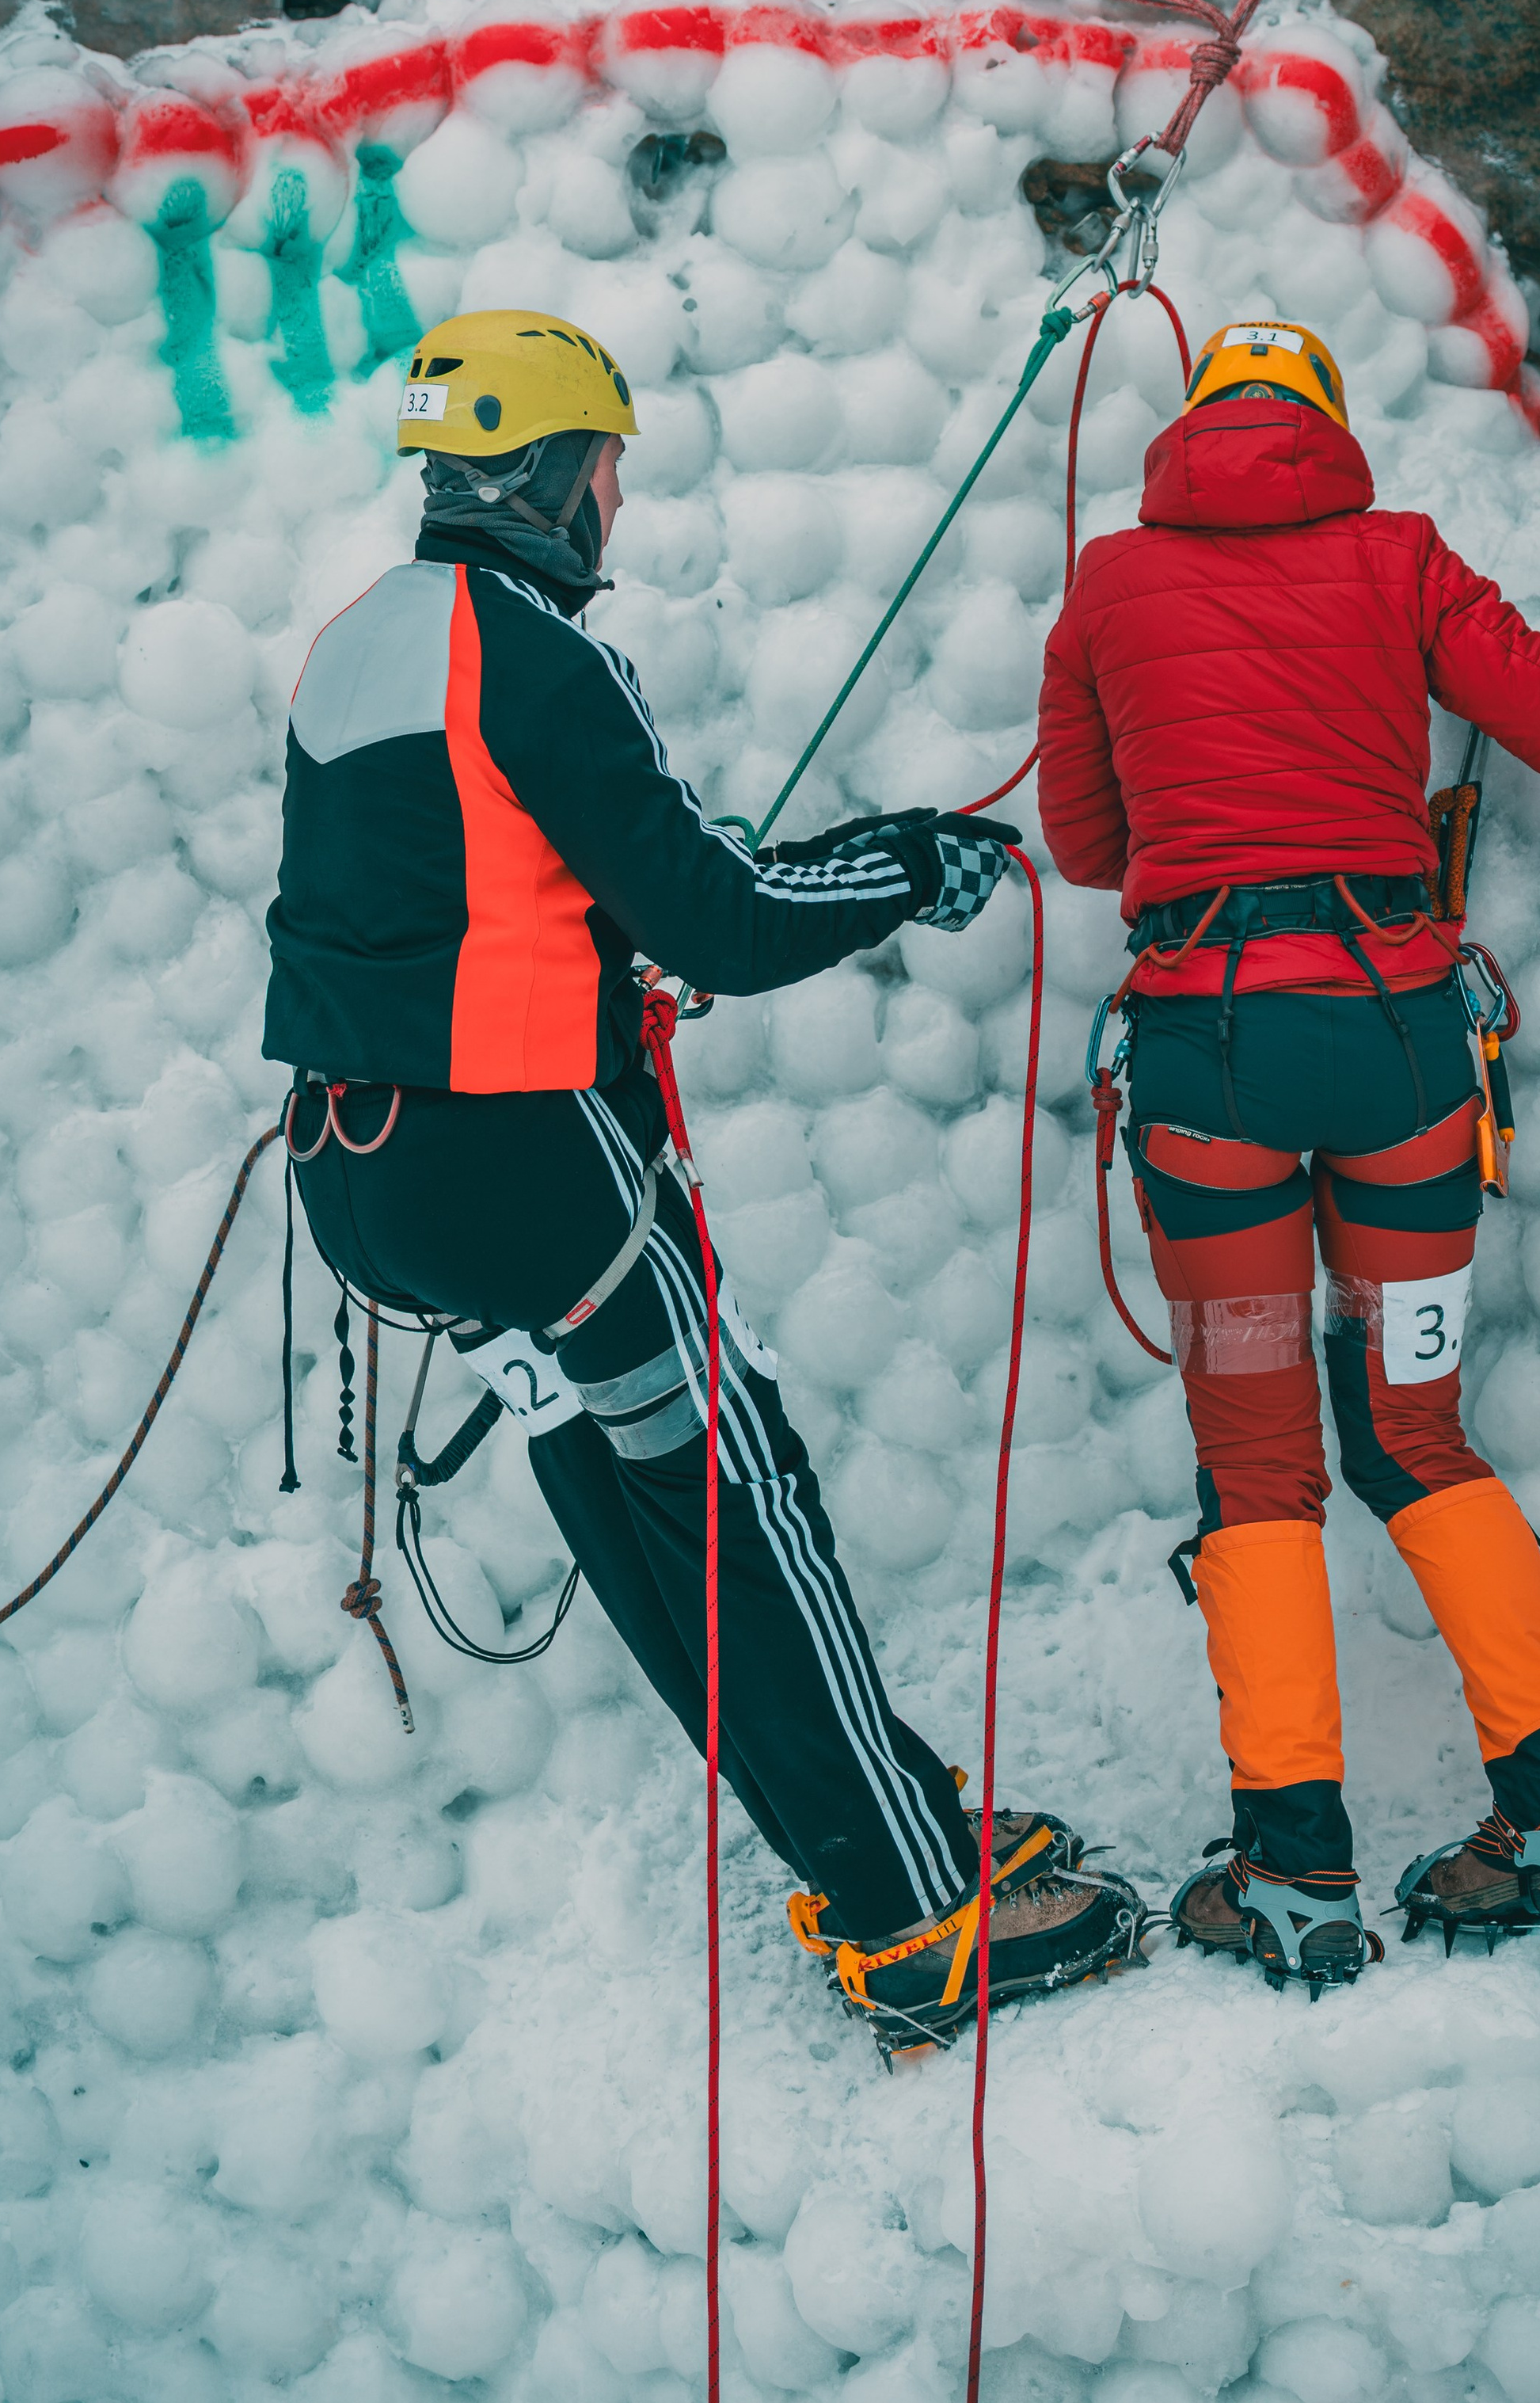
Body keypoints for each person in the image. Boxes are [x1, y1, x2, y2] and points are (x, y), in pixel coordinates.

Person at [263, 309, 1142, 2047]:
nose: (613, 501)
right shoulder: (536, 650)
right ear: (549, 479)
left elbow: (465, 888)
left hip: (368, 1179)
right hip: (537, 1175)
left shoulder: (357, 643)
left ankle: (877, 1825)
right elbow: (716, 923)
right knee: (743, 1504)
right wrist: (903, 865)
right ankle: (913, 1919)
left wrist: (635, 921)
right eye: (605, 468)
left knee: (640, 1499)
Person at [1037, 315, 1540, 1996]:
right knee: (1415, 1432)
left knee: (1257, 1464)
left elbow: (1092, 846)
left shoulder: (1109, 582)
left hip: (1211, 1063)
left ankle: (1296, 1876)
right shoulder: (1397, 558)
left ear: (1192, 432)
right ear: (1317, 425)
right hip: (1396, 1055)